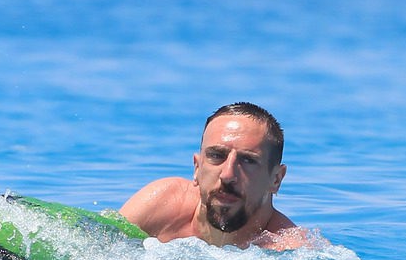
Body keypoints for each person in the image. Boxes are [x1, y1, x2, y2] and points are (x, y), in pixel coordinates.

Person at [119, 102, 308, 250]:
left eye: (248, 161)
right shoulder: (163, 204)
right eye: (216, 156)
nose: (228, 175)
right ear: (197, 168)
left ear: (276, 179)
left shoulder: (290, 250)